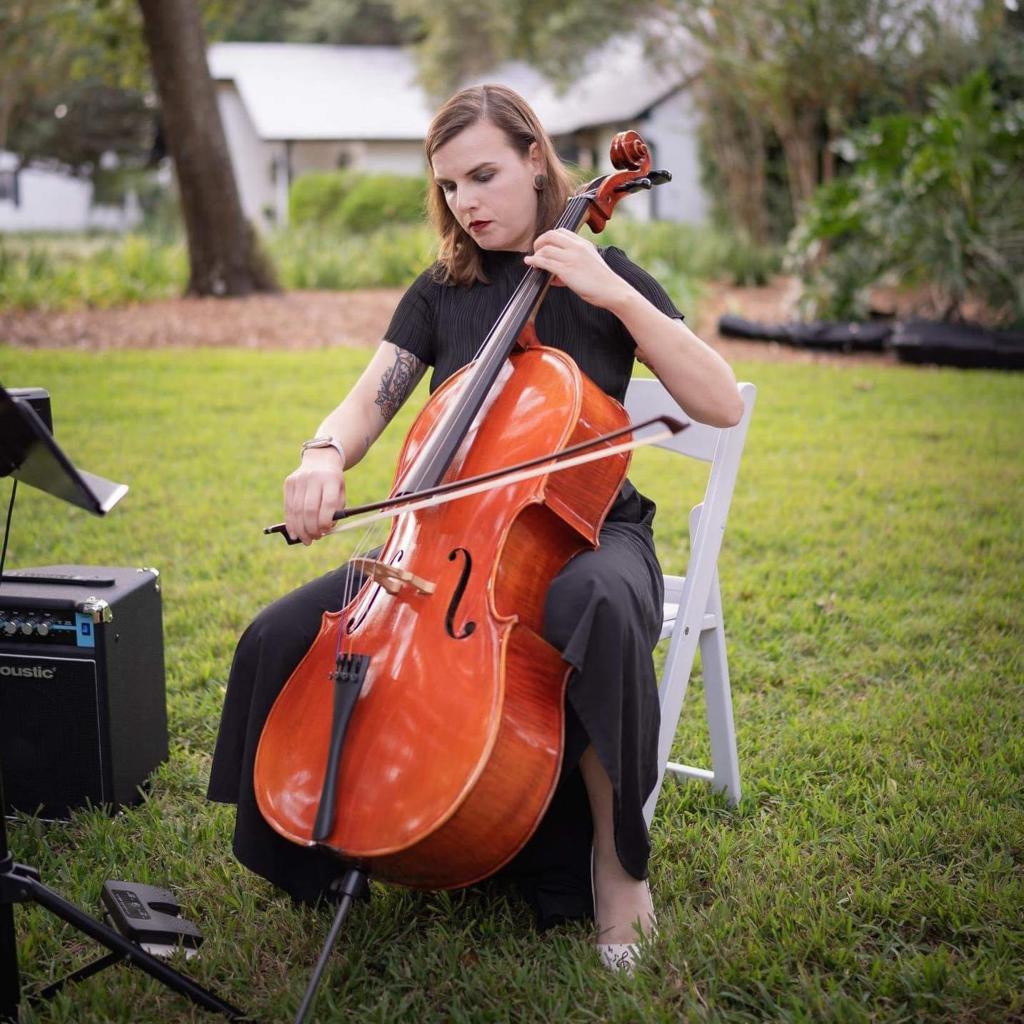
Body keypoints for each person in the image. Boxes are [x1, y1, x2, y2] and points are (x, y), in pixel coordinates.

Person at [208, 84, 743, 972]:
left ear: (537, 158)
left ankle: (619, 873)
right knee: (277, 635)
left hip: (588, 530)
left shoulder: (605, 280)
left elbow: (719, 401)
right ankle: (327, 849)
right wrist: (322, 454)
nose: (468, 202)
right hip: (446, 541)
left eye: (485, 175)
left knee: (601, 605)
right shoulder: (441, 291)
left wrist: (616, 294)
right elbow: (369, 401)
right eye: (451, 186)